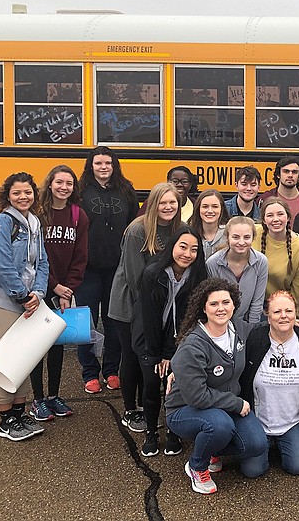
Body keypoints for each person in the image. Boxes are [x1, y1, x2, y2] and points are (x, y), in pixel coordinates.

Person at [165, 278, 269, 494]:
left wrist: (287, 321)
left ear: (234, 305)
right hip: (186, 409)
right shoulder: (192, 345)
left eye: (226, 302)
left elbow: (262, 329)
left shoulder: (238, 328)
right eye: (214, 304)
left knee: (256, 445)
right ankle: (197, 466)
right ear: (203, 307)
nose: (221, 308)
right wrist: (236, 402)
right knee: (220, 426)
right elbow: (197, 397)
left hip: (224, 406)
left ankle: (213, 449)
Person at [109, 182, 185, 433]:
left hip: (160, 304)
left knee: (151, 357)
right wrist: (152, 311)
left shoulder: (180, 230)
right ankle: (131, 410)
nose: (168, 207)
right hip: (130, 304)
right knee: (132, 356)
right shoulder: (137, 230)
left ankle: (148, 406)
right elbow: (134, 278)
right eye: (162, 202)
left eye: (172, 202)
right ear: (152, 204)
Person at [0, 172, 50, 441]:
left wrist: (39, 293)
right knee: (5, 359)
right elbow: (1, 265)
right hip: (0, 300)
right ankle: (6, 420)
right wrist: (22, 295)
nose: (23, 197)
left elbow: (41, 262)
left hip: (27, 300)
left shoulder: (34, 223)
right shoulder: (0, 223)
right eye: (17, 193)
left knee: (23, 358)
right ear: (7, 196)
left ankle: (19, 414)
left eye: (28, 192)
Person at [133, 227, 208, 457]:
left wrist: (171, 352)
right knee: (152, 384)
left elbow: (189, 316)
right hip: (148, 338)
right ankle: (151, 432)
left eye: (194, 249)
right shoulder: (152, 273)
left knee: (175, 386)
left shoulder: (198, 276)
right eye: (182, 247)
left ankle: (174, 431)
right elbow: (150, 318)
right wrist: (158, 355)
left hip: (178, 339)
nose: (187, 254)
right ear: (173, 247)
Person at [76, 146, 138, 394]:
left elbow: (134, 224)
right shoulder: (80, 192)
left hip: (117, 270)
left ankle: (112, 370)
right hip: (88, 270)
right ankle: (90, 373)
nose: (103, 167)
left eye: (108, 163)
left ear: (115, 166)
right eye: (99, 163)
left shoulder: (126, 191)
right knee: (86, 323)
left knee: (114, 322)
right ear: (91, 166)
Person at [29, 165, 89, 422]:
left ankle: (53, 395)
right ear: (50, 184)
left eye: (69, 183)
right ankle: (37, 399)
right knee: (35, 346)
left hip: (62, 289)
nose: (64, 187)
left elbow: (80, 255)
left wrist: (68, 289)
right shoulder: (38, 214)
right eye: (59, 182)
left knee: (56, 344)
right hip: (37, 288)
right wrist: (53, 285)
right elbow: (34, 257)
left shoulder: (78, 216)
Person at [239, 291, 299, 477]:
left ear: (296, 313)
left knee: (298, 467)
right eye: (277, 312)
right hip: (259, 421)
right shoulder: (254, 339)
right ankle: (262, 444)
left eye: (288, 311)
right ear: (267, 315)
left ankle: (282, 443)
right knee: (252, 471)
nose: (283, 316)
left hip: (291, 422)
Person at [254, 197, 299, 318]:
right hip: (251, 304)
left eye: (280, 214)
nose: (276, 219)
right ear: (263, 220)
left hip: (281, 308)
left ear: (288, 217)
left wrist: (294, 315)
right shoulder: (253, 233)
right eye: (270, 215)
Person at [206, 217, 269, 325]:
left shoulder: (261, 261)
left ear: (253, 238)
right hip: (222, 322)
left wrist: (251, 330)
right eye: (236, 237)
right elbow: (215, 301)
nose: (241, 242)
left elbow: (257, 302)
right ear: (227, 238)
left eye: (247, 237)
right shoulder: (213, 263)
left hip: (248, 321)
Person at [258, 156, 299, 222]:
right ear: (278, 174)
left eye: (294, 172)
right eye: (286, 171)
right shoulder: (265, 198)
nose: (290, 175)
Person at [189, 189, 229, 257]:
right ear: (198, 209)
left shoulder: (230, 234)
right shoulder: (189, 233)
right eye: (205, 206)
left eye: (215, 206)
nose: (210, 211)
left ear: (221, 209)